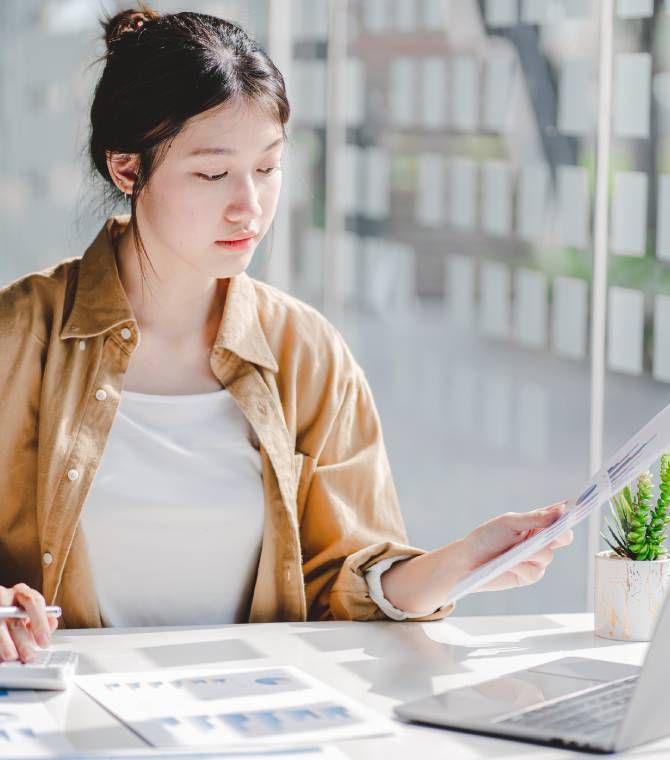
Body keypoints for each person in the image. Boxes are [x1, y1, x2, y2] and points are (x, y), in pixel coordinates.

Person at [0, 6, 572, 664]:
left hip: (252, 713)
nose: (250, 205)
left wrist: (459, 564)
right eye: (213, 174)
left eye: (268, 169)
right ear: (127, 170)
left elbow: (344, 578)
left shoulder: (307, 351)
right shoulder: (17, 337)